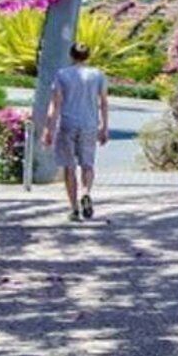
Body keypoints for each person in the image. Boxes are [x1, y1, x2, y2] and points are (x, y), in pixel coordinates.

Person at [42, 41, 108, 222]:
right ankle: (86, 192)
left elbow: (55, 104)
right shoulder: (97, 75)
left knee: (69, 167)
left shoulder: (62, 75)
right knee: (88, 164)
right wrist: (104, 126)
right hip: (90, 124)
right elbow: (103, 102)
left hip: (68, 124)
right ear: (88, 56)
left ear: (71, 56)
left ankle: (74, 208)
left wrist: (48, 129)